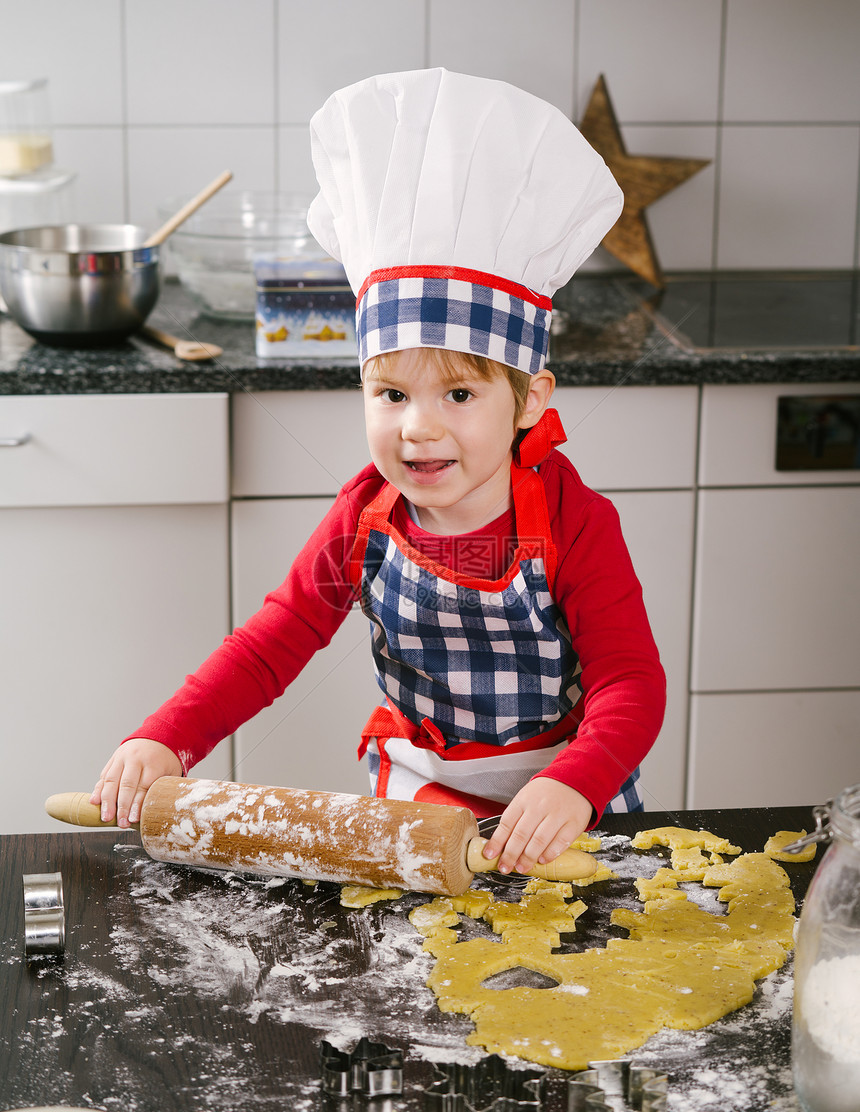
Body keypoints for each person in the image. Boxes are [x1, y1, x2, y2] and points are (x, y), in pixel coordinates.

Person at [90, 69, 666, 877]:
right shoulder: (366, 517)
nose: (418, 425)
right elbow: (271, 644)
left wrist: (576, 782)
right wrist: (166, 734)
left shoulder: (573, 519)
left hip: (559, 805)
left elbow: (630, 682)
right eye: (390, 392)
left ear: (529, 399)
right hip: (416, 803)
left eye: (459, 392)